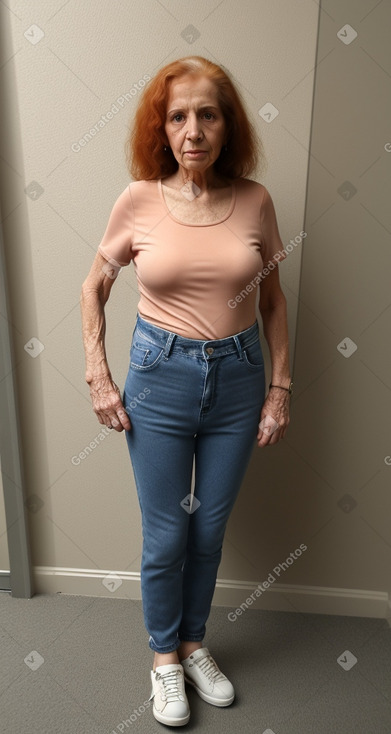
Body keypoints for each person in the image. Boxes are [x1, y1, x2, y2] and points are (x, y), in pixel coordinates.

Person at [80, 55, 292, 728]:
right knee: (167, 533)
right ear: (160, 127)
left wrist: (278, 388)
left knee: (208, 530)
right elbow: (94, 286)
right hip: (159, 379)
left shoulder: (256, 200)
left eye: (207, 113)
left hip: (237, 378)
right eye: (177, 116)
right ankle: (163, 660)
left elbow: (274, 301)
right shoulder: (137, 198)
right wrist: (98, 372)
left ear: (226, 125)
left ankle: (195, 644)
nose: (192, 129)